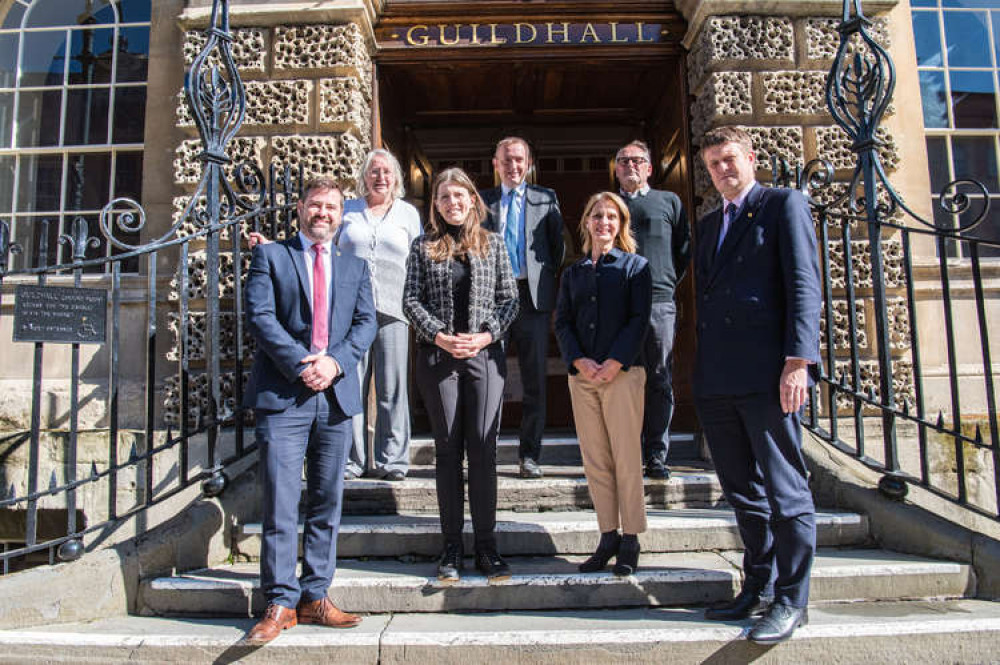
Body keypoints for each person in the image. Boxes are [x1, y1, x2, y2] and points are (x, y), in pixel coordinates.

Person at [695, 126, 821, 644]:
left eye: (730, 160)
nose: (723, 170)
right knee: (743, 492)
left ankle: (792, 599)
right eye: (714, 165)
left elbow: (803, 283)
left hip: (769, 375)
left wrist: (799, 361)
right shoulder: (708, 225)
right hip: (718, 378)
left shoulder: (782, 204)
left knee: (785, 490)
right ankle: (758, 584)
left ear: (750, 157)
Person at [243, 177, 377, 645]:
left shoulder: (356, 266)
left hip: (336, 397)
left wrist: (334, 362)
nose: (323, 213)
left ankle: (315, 596)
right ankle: (280, 601)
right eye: (316, 205)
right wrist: (303, 365)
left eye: (332, 207)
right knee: (281, 501)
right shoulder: (271, 256)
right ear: (300, 208)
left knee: (327, 501)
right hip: (284, 396)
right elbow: (260, 317)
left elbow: (366, 324)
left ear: (342, 216)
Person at [403, 167, 519, 584]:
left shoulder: (494, 244)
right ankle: (451, 547)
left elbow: (510, 299)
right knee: (449, 449)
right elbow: (410, 300)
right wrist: (439, 336)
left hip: (484, 358)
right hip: (438, 358)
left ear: (473, 199)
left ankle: (487, 548)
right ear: (435, 204)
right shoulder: (422, 246)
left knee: (483, 450)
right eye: (444, 197)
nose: (453, 202)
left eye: (460, 195)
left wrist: (486, 336)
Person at [554, 192, 652, 576]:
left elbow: (639, 319)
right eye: (597, 215)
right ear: (587, 223)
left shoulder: (635, 267)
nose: (604, 222)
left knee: (626, 459)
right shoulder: (573, 273)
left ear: (621, 224)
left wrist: (614, 362)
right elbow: (562, 322)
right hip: (582, 377)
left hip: (623, 375)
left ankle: (631, 539)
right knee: (595, 462)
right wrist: (579, 360)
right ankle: (607, 536)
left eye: (612, 216)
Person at [480, 137, 565, 479]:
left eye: (519, 160)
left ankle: (530, 455)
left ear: (529, 163)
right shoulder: (482, 201)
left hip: (531, 300)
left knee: (534, 381)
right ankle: (485, 453)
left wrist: (540, 281)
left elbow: (557, 248)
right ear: (495, 164)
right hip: (491, 300)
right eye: (507, 160)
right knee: (487, 380)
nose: (513, 166)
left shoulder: (546, 198)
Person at [338, 149, 422, 482]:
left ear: (397, 178)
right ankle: (352, 461)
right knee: (350, 386)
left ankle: (393, 461)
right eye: (374, 171)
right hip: (350, 312)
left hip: (394, 309)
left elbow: (417, 262)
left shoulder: (407, 214)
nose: (380, 177)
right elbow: (326, 251)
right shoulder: (347, 210)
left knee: (393, 387)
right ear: (364, 176)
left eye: (387, 172)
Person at [615, 140, 690, 480]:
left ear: (649, 167)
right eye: (623, 160)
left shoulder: (669, 201)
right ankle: (626, 452)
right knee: (623, 379)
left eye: (637, 160)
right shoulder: (609, 205)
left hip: (659, 302)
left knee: (659, 378)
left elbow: (684, 249)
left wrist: (666, 280)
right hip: (618, 307)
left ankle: (656, 454)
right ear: (616, 169)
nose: (630, 165)